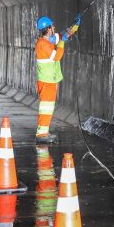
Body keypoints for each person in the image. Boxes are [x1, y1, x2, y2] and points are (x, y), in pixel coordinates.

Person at [34, 13, 81, 143]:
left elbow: (62, 35)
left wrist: (74, 26)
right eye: (52, 26)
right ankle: (41, 135)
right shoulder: (42, 44)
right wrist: (62, 43)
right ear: (48, 29)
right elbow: (57, 56)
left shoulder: (48, 39)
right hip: (46, 81)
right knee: (46, 108)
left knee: (48, 107)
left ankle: (43, 132)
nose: (54, 27)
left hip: (50, 80)